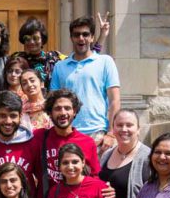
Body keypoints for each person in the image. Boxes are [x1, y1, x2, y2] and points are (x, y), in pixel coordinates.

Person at [50, 16, 120, 153]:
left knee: (97, 175)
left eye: (85, 34)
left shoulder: (105, 62)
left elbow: (115, 100)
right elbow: (53, 102)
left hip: (98, 134)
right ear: (71, 38)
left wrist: (111, 133)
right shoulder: (60, 66)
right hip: (68, 133)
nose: (81, 38)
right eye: (76, 35)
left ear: (92, 37)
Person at [34, 89, 101, 198]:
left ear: (74, 111)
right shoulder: (38, 137)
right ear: (50, 113)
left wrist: (105, 189)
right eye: (57, 108)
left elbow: (94, 178)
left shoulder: (87, 142)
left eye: (67, 108)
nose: (63, 113)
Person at [17, 17, 63, 89]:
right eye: (27, 38)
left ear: (42, 39)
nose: (31, 42)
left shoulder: (54, 58)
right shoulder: (17, 59)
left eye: (35, 38)